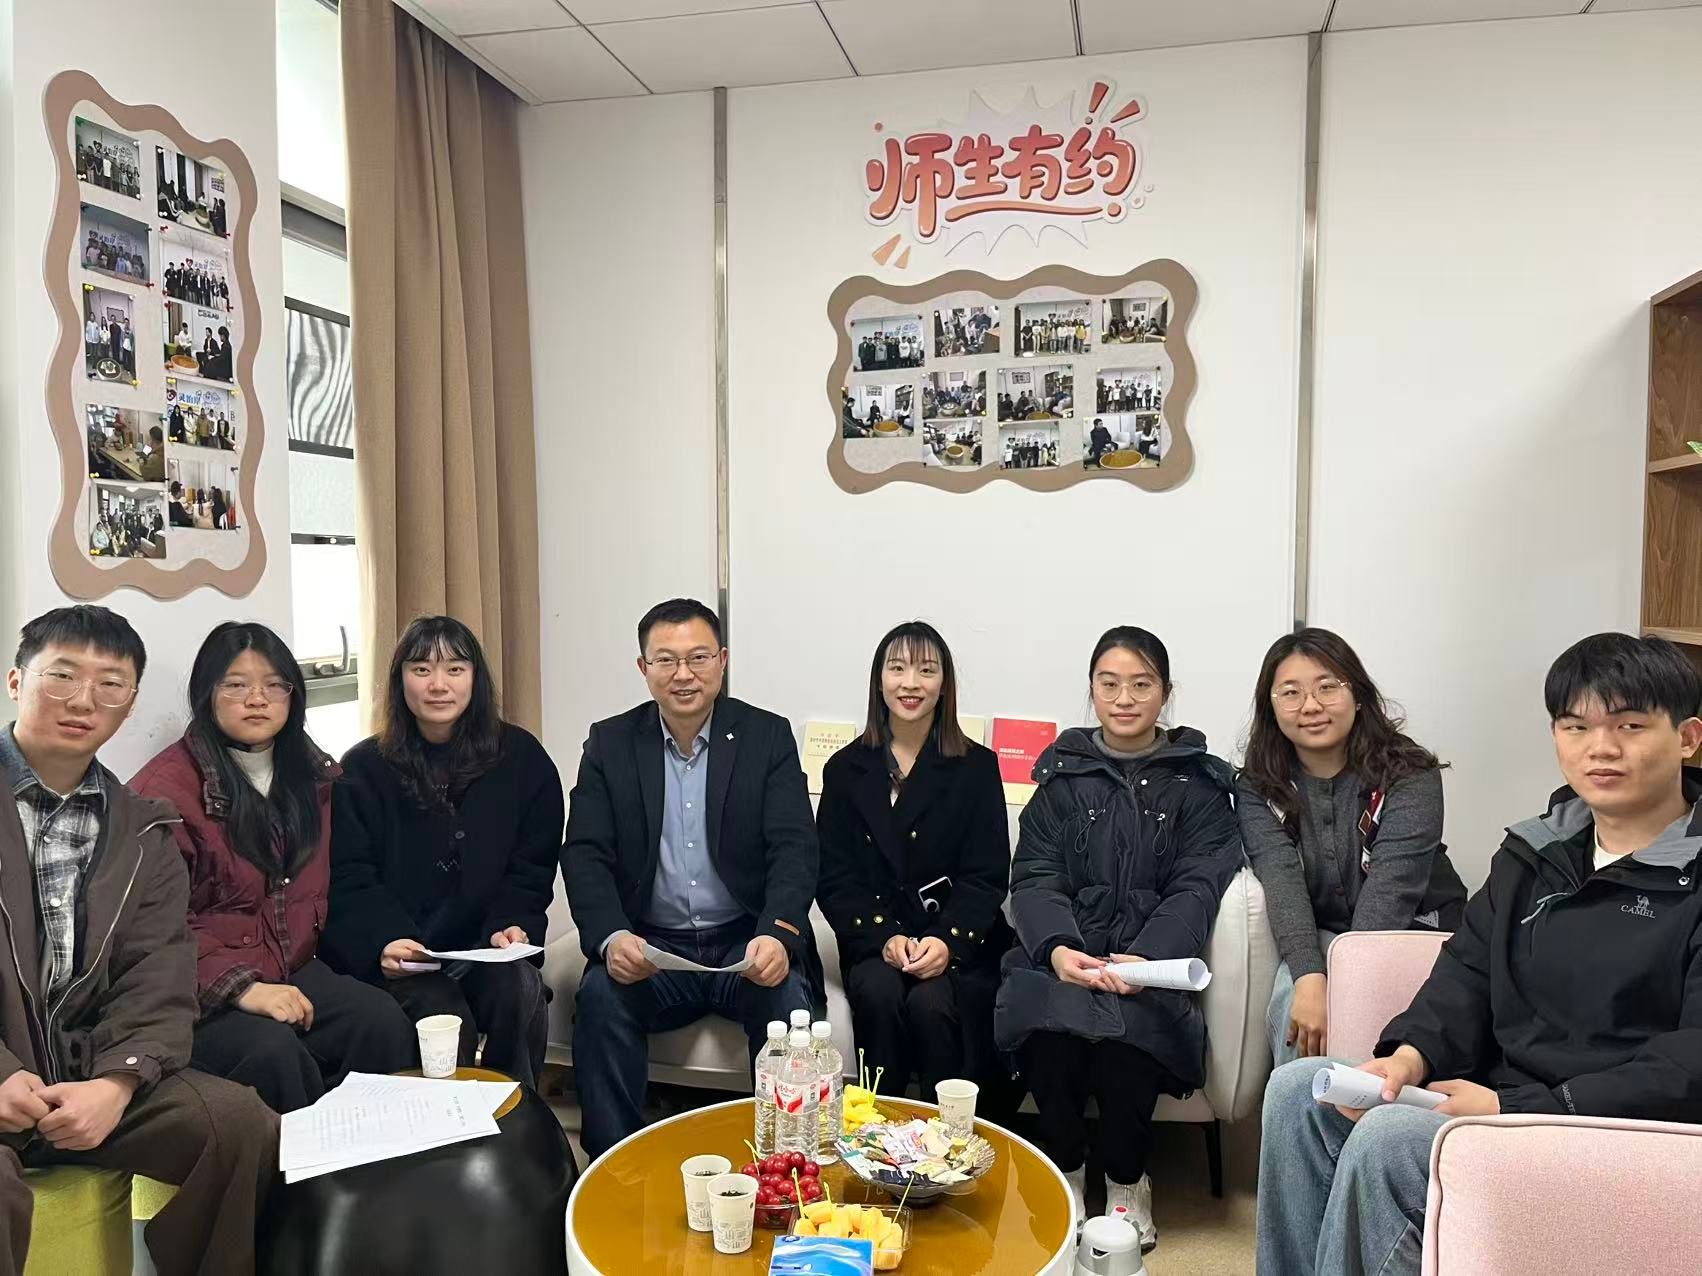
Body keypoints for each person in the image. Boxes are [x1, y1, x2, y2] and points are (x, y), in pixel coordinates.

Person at [1258, 632, 1702, 1276]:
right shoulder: (1535, 853)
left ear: (1687, 738)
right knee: (1301, 1090)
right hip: (1506, 1100)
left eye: (1630, 726)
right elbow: (1465, 973)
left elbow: (1688, 1065)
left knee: (1389, 1141)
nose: (1601, 748)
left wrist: (1514, 1111)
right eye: (1576, 726)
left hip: (1613, 1126)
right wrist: (1409, 1056)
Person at [0, 606, 278, 1275]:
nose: (84, 701)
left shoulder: (146, 829)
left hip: (92, 1074)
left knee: (240, 1126)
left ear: (129, 704)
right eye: (62, 675)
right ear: (16, 681)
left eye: (110, 684)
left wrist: (118, 1082)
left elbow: (159, 973)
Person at [995, 626, 1242, 1250]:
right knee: (1047, 1034)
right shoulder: (1060, 779)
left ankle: (1129, 1181)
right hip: (1067, 956)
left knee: (1126, 1043)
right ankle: (1068, 1174)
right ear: (1092, 690)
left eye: (1140, 684)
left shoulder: (1200, 786)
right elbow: (1035, 876)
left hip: (1152, 963)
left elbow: (1199, 884)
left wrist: (1147, 960)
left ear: (1165, 693)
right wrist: (1057, 949)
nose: (1124, 698)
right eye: (1109, 684)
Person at [564, 598, 821, 1161]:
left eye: (698, 657)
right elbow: (585, 853)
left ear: (722, 661)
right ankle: (614, 1168)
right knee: (602, 997)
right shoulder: (610, 743)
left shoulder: (766, 737)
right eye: (666, 660)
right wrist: (611, 937)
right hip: (653, 946)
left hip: (744, 940)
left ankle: (786, 1167)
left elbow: (795, 847)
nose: (683, 674)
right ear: (644, 668)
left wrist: (778, 933)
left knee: (786, 1000)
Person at [131, 624, 416, 1114]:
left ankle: (376, 1159)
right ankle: (301, 1166)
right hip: (199, 991)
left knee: (380, 1022)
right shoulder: (165, 793)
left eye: (274, 685)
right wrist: (242, 988)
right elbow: (156, 928)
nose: (256, 699)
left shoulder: (311, 774)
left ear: (293, 694)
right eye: (235, 685)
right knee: (273, 1054)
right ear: (206, 694)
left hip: (290, 967)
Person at [321, 618, 558, 1088]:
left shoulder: (522, 758)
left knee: (520, 989)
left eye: (454, 669)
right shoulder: (363, 769)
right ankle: (445, 1125)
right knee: (443, 1014)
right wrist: (383, 940)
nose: (438, 685)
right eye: (421, 669)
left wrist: (513, 923)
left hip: (486, 947)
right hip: (407, 954)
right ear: (400, 679)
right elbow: (349, 875)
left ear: (475, 678)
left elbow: (531, 868)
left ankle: (519, 1115)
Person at [1239, 628, 1467, 1066]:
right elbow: (1281, 880)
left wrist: (1344, 986)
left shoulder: (1409, 773)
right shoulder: (1258, 786)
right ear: (1270, 706)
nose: (1311, 706)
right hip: (1325, 936)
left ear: (1358, 695)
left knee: (1372, 1013)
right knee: (1292, 998)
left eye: (1327, 687)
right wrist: (1309, 977)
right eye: (1291, 693)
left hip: (1416, 931)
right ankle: (1303, 1106)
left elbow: (1393, 888)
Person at [816, 622, 1015, 1112]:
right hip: (873, 940)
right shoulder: (844, 770)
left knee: (932, 1004)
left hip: (957, 943)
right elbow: (834, 876)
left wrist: (946, 941)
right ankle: (875, 1131)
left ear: (944, 685)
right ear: (878, 680)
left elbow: (986, 875)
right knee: (879, 994)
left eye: (926, 671)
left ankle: (949, 1136)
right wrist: (883, 936)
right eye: (897, 668)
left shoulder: (977, 767)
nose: (911, 683)